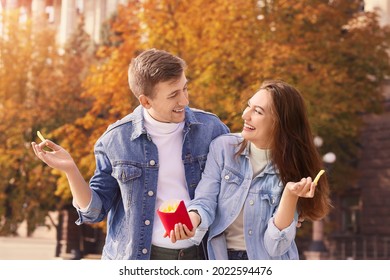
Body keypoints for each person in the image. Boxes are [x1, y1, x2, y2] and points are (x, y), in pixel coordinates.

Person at [31, 48, 230, 260]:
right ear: (145, 101)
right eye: (173, 95)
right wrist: (71, 171)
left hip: (200, 257)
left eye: (185, 89)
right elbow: (94, 212)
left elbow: (231, 191)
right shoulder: (116, 140)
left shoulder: (211, 129)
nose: (184, 101)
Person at [169, 80, 332, 260]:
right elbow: (205, 200)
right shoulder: (223, 148)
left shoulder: (294, 170)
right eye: (249, 106)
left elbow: (276, 247)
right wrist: (193, 220)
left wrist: (290, 195)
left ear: (280, 123)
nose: (245, 115)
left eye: (258, 111)